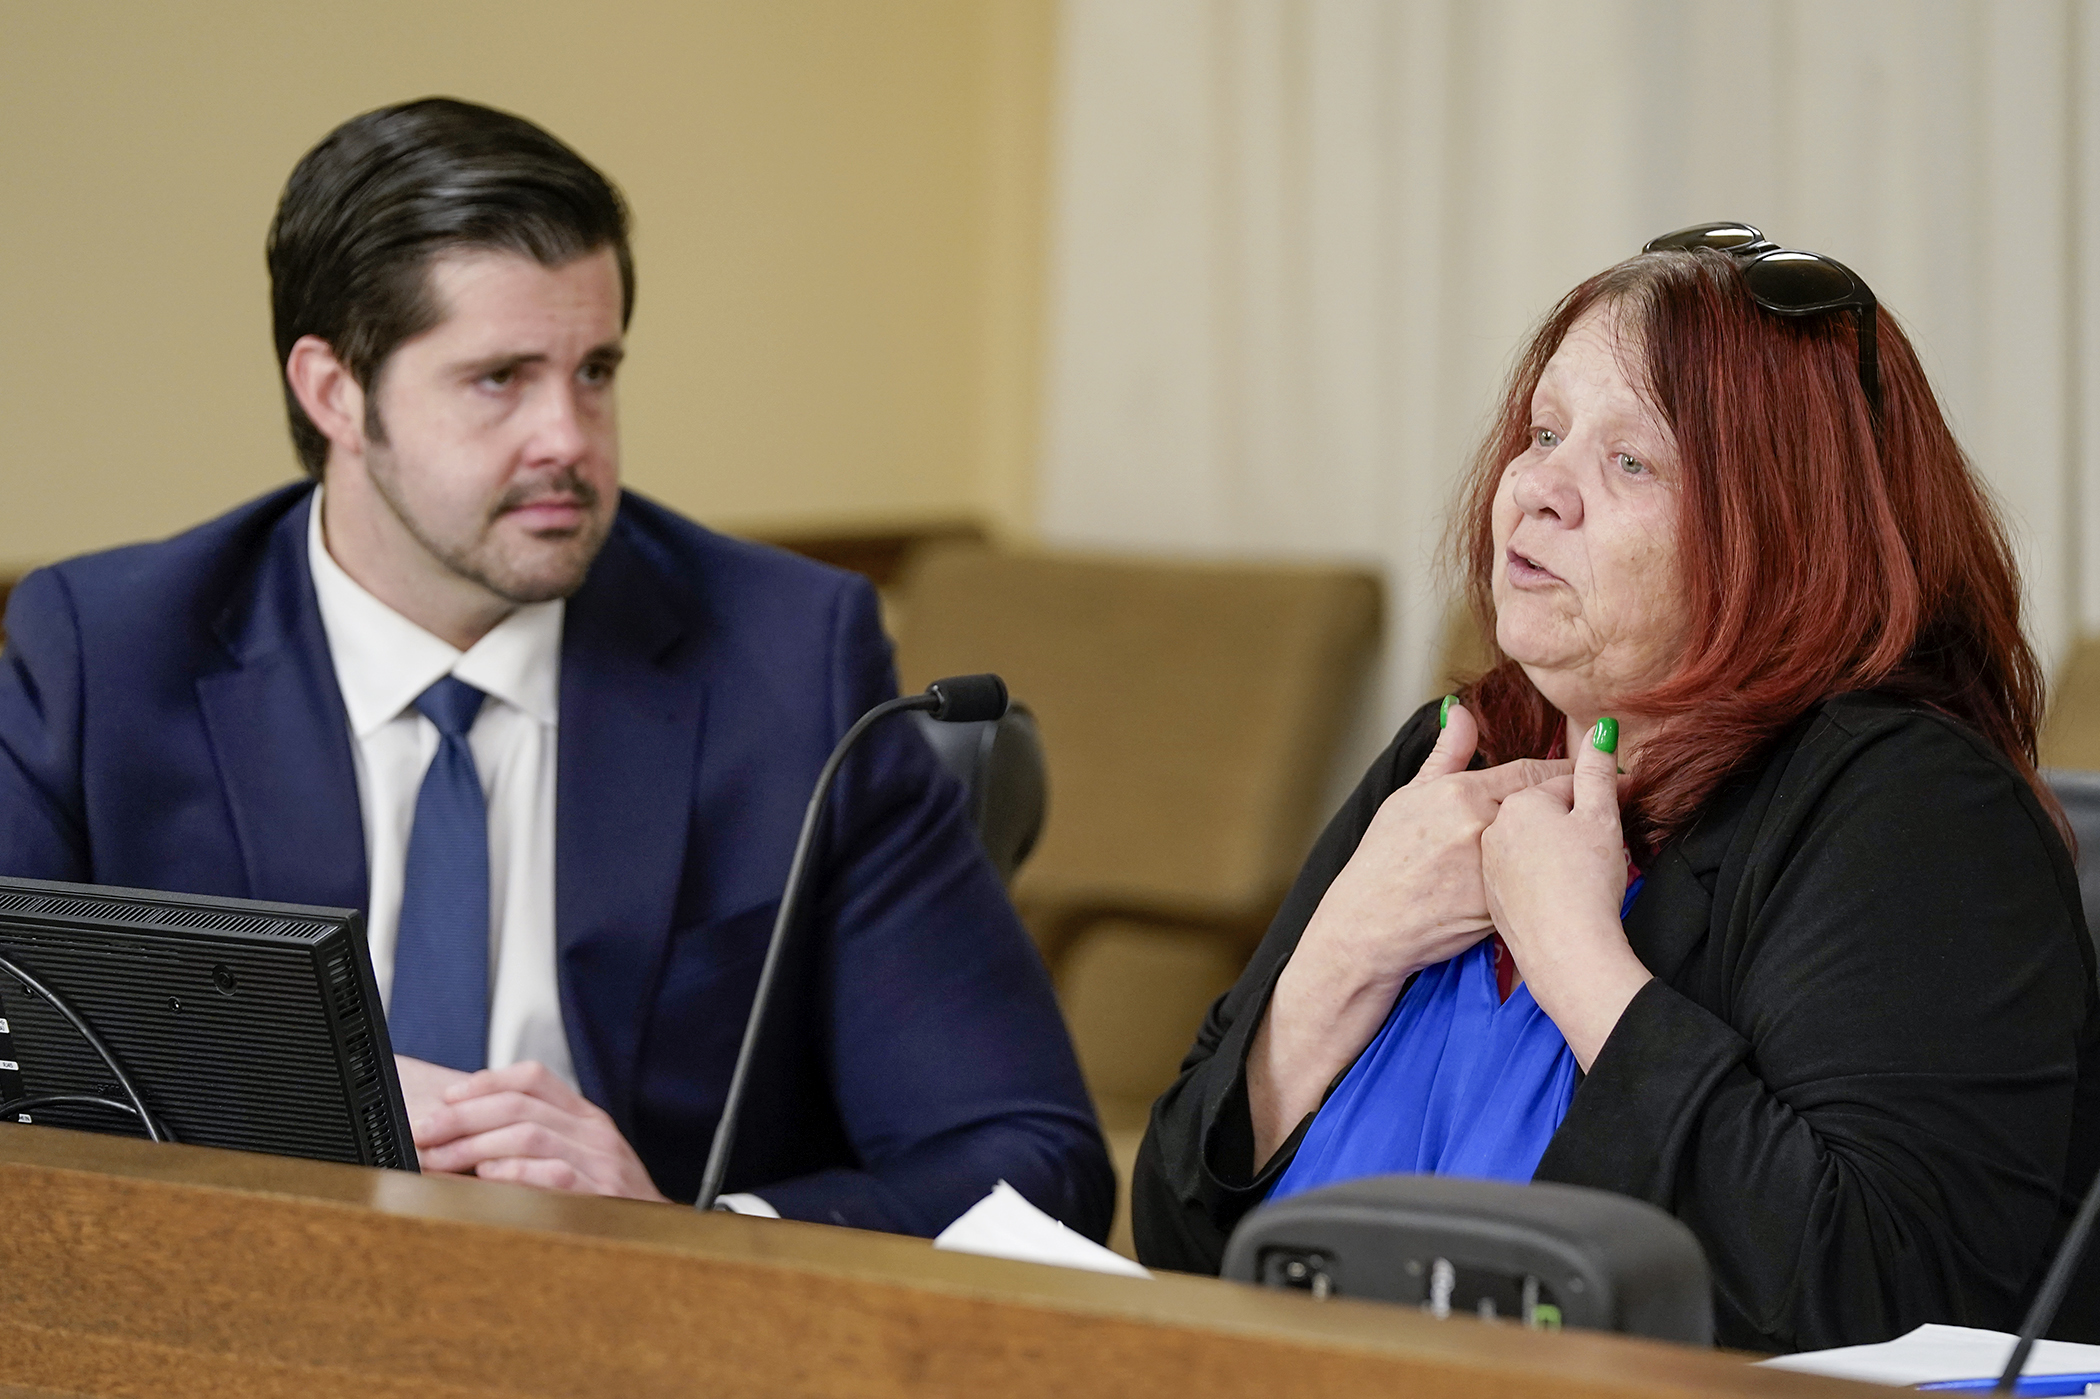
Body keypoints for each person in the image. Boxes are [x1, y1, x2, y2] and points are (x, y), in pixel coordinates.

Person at [0, 97, 1113, 1241]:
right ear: (333, 391)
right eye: (499, 379)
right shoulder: (109, 656)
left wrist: (687, 1227)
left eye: (595, 372)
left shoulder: (790, 660)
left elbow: (1033, 1157)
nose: (570, 439)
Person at [1131, 223, 2100, 1350]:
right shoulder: (1455, 750)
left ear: (1787, 533)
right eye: (1543, 432)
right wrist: (1346, 948)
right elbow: (1176, 1235)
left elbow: (1877, 1302)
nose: (1535, 487)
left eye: (1628, 460)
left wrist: (1579, 961)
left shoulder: (1918, 812)